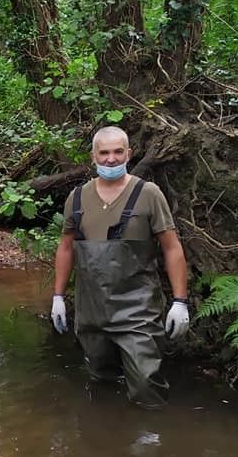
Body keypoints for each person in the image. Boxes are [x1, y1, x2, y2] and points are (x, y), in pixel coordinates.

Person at [50, 126, 190, 409]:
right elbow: (66, 248)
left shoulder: (148, 194)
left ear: (129, 153)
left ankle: (151, 444)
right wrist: (57, 297)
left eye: (117, 152)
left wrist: (180, 302)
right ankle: (107, 441)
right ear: (93, 157)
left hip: (137, 312)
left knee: (146, 386)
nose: (111, 159)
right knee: (101, 383)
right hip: (91, 312)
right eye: (104, 153)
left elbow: (171, 247)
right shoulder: (77, 198)